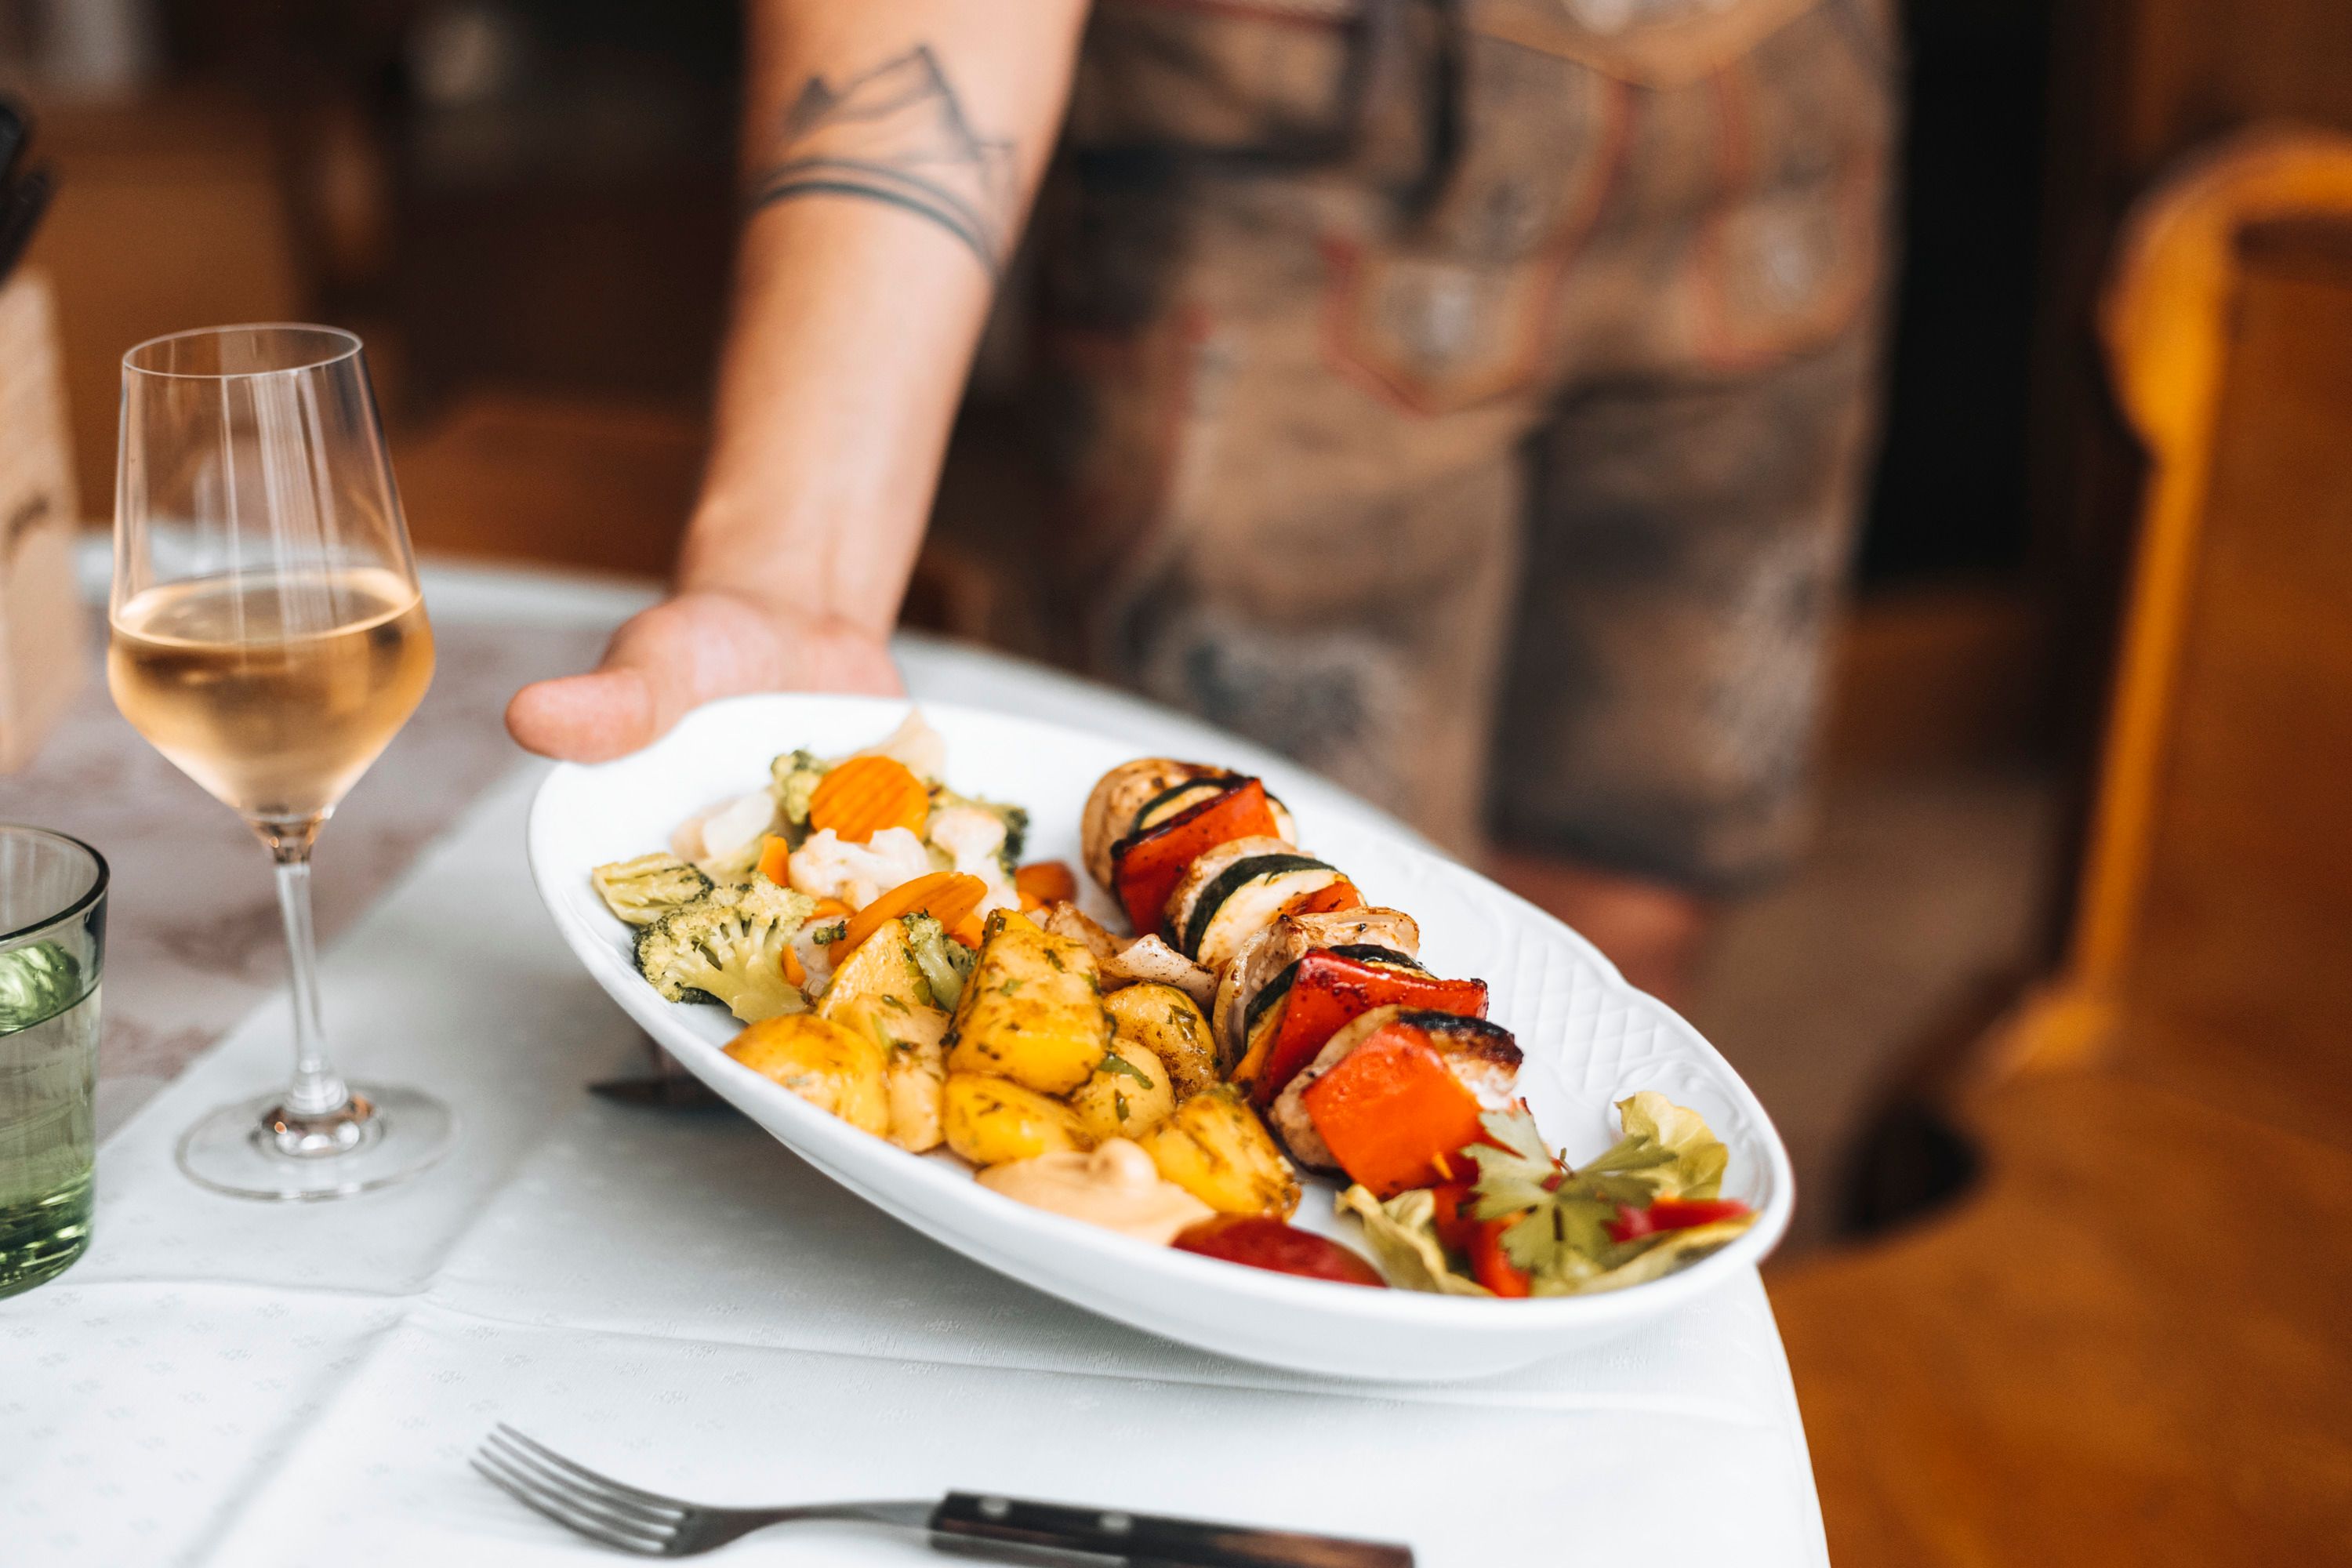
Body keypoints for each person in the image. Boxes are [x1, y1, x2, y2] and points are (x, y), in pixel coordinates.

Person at [506, 0, 1896, 1003]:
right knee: (1262, 951)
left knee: (1634, 909)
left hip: (1786, 103)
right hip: (1299, 140)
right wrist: (788, 574)